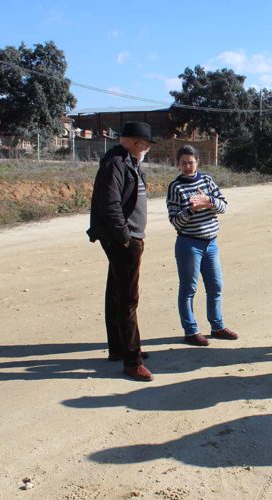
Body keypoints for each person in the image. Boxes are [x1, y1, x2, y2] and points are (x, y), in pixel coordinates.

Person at [87, 121, 155, 382]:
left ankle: (118, 348)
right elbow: (110, 204)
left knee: (116, 292)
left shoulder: (128, 161)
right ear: (137, 143)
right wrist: (125, 238)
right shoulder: (116, 163)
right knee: (128, 298)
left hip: (127, 238)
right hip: (124, 240)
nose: (147, 149)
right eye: (146, 145)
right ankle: (131, 359)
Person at [166, 145, 238, 347]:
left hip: (211, 243)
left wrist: (209, 201)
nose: (187, 166)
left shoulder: (207, 180)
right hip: (189, 244)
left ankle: (217, 326)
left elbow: (224, 206)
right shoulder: (175, 187)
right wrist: (191, 209)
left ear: (198, 162)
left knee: (215, 286)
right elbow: (175, 221)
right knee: (188, 288)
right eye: (183, 163)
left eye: (191, 162)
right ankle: (190, 331)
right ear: (178, 164)